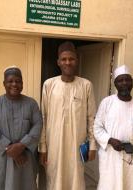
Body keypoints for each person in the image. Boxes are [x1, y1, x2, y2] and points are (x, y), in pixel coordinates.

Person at [39, 41, 97, 190]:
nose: (68, 62)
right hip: (54, 145)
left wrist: (92, 145)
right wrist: (43, 148)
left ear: (76, 61)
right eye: (64, 59)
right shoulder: (49, 85)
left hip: (76, 145)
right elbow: (43, 118)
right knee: (54, 179)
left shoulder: (86, 85)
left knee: (76, 180)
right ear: (58, 62)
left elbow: (91, 118)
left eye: (71, 59)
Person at [94, 65, 133, 190]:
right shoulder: (107, 103)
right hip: (111, 157)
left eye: (127, 80)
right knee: (109, 186)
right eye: (120, 80)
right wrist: (110, 140)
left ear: (132, 82)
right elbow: (97, 127)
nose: (124, 83)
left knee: (131, 185)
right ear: (115, 84)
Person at [0, 66, 42, 190]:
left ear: (22, 83)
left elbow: (38, 127)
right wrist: (12, 151)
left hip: (25, 157)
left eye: (18, 81)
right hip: (3, 158)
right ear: (4, 84)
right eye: (10, 81)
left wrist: (21, 146)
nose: (14, 84)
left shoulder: (31, 104)